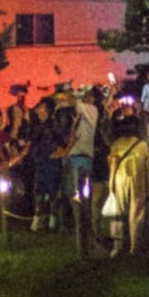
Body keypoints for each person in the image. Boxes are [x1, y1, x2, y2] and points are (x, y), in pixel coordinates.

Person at [58, 87, 101, 252]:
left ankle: (82, 247)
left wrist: (64, 90)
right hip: (86, 158)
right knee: (85, 202)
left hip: (74, 158)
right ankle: (88, 243)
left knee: (77, 203)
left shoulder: (86, 108)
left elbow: (71, 99)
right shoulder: (92, 111)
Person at [104, 111, 149, 256]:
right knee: (136, 213)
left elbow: (112, 164)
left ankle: (117, 246)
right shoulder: (142, 145)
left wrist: (111, 183)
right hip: (138, 180)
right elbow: (147, 167)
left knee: (118, 213)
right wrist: (148, 185)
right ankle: (134, 247)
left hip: (119, 179)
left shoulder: (116, 144)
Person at [26, 99, 66, 232]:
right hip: (40, 161)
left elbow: (61, 141)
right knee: (39, 191)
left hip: (51, 161)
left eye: (43, 109)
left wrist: (57, 150)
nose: (40, 111)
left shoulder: (54, 125)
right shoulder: (35, 126)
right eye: (39, 108)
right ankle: (38, 220)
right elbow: (32, 143)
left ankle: (53, 221)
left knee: (53, 190)